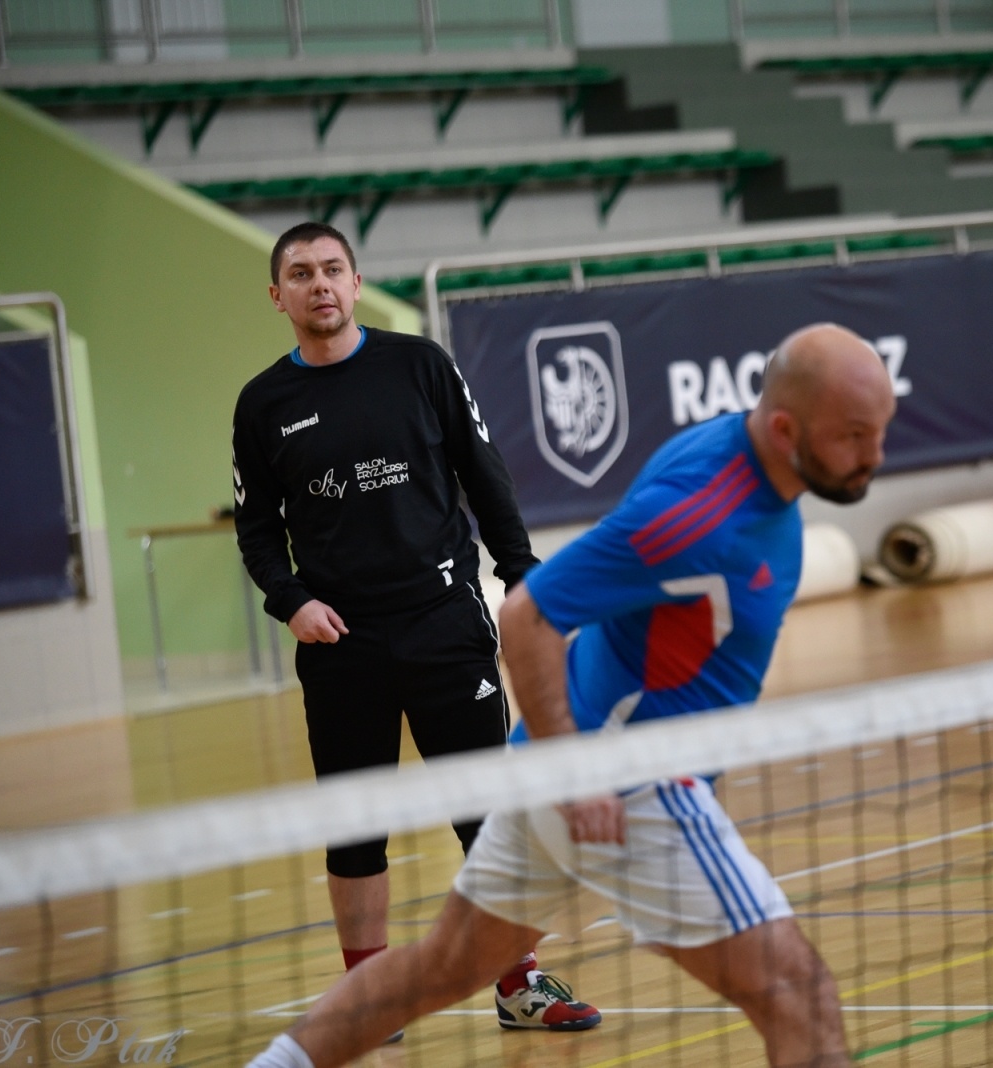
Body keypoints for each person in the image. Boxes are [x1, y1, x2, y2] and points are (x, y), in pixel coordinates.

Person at [247, 321, 897, 1068]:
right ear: (785, 428)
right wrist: (577, 771)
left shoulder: (743, 455)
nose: (873, 458)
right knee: (800, 995)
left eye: (880, 431)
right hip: (635, 785)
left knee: (443, 966)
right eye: (854, 437)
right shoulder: (695, 514)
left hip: (559, 774)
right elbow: (527, 616)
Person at [231, 221, 601, 1035]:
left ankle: (518, 982)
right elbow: (256, 529)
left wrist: (523, 578)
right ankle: (373, 998)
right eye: (301, 273)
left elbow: (483, 472)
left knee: (488, 814)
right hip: (340, 646)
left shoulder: (421, 365)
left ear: (356, 282)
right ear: (278, 296)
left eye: (333, 269)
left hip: (443, 625)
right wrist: (291, 601)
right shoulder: (263, 404)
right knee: (356, 829)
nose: (319, 284)